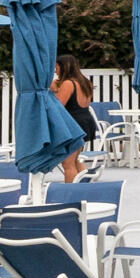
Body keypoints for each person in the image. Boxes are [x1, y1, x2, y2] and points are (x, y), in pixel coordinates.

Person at [51, 52, 99, 182]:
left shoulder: (68, 84)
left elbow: (58, 106)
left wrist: (52, 94)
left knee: (68, 164)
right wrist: (56, 87)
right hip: (86, 121)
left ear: (64, 67)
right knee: (75, 159)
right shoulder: (85, 82)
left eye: (56, 67)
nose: (55, 70)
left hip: (73, 123)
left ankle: (71, 193)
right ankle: (85, 186)